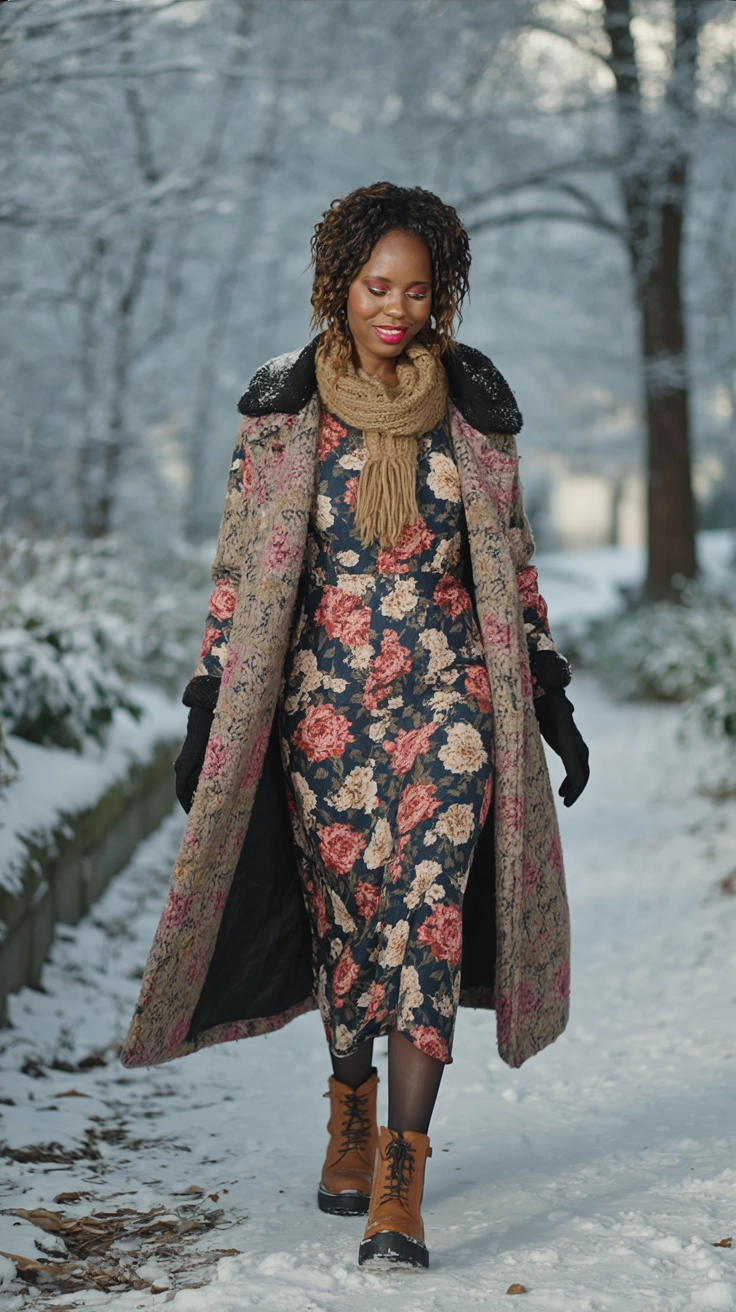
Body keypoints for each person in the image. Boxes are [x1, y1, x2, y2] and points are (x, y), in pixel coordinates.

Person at [122, 182, 589, 1271]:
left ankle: (399, 1171)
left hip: (449, 711)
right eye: (377, 288)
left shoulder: (473, 412)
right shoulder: (284, 413)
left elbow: (511, 569)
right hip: (320, 716)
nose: (396, 310)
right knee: (348, 932)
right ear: (339, 286)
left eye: (417, 292)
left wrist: (549, 697)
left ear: (444, 297)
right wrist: (206, 713)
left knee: (426, 922)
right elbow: (239, 573)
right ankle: (347, 1102)